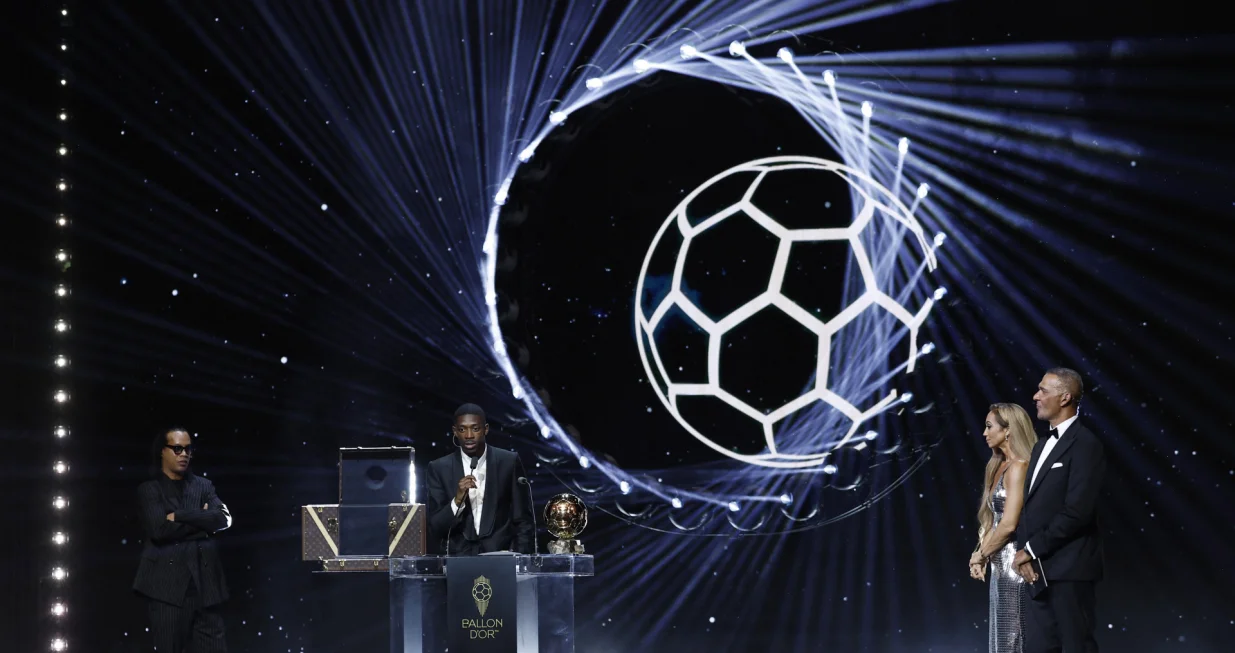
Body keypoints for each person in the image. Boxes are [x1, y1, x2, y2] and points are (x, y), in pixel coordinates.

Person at [1014, 368, 1106, 652]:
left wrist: (1030, 549)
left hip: (1069, 570)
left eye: (1043, 390)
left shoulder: (1086, 444)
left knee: (1076, 646)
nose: (1035, 396)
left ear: (1065, 397)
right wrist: (1026, 556)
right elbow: (1030, 509)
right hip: (1036, 571)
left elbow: (1078, 512)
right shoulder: (1041, 445)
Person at [133, 427, 232, 653]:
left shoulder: (203, 486)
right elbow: (160, 530)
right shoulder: (150, 489)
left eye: (188, 449)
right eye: (177, 449)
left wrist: (180, 516)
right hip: (168, 590)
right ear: (162, 451)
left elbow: (222, 519)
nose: (184, 454)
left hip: (206, 588)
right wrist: (203, 524)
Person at [969, 403, 1037, 653]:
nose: (984, 433)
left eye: (989, 426)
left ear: (1008, 431)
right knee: (1001, 639)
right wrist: (980, 555)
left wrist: (982, 554)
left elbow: (1009, 523)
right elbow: (992, 519)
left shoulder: (1019, 466)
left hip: (1014, 566)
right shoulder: (997, 465)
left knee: (1013, 638)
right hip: (998, 564)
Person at [425, 404, 534, 555]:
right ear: (455, 432)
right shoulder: (439, 468)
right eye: (462, 429)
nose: (469, 435)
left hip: (501, 560)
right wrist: (457, 501)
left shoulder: (508, 461)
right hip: (458, 561)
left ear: (486, 429)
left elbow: (523, 521)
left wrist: (521, 562)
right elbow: (435, 527)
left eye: (475, 429)